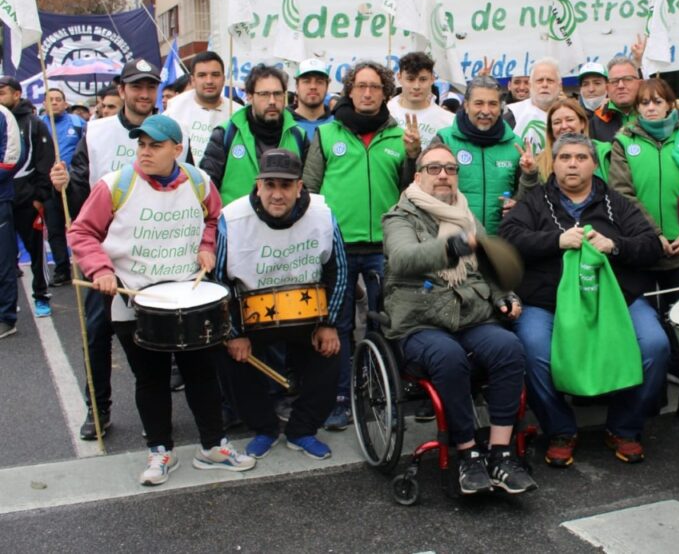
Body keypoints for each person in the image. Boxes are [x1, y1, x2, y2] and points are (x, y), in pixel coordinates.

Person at [67, 114, 254, 486]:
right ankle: (159, 451)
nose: (145, 152)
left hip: (189, 296)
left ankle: (213, 446)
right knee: (150, 380)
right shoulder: (115, 185)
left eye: (155, 145)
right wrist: (100, 269)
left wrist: (206, 247)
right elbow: (82, 231)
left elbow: (214, 220)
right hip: (134, 301)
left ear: (177, 149)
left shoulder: (199, 182)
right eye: (141, 144)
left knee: (201, 375)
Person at [500, 133, 667, 467]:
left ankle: (624, 427)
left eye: (580, 157)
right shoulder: (535, 200)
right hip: (548, 303)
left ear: (593, 163)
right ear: (554, 163)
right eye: (564, 158)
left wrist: (615, 245)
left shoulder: (616, 203)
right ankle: (561, 429)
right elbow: (509, 238)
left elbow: (651, 245)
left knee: (655, 346)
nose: (572, 164)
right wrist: (555, 240)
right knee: (532, 350)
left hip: (615, 300)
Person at [382, 143, 537, 495]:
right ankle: (467, 454)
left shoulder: (466, 214)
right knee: (448, 358)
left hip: (470, 313)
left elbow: (489, 266)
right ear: (418, 174)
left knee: (508, 347)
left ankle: (500, 453)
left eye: (450, 169)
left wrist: (504, 297)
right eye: (434, 168)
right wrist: (451, 248)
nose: (443, 175)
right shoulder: (399, 217)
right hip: (419, 318)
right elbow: (403, 259)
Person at [50, 58, 164, 440]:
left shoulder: (168, 131)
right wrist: (64, 182)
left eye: (150, 87)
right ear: (122, 90)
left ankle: (159, 415)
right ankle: (97, 410)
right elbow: (80, 192)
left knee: (156, 334)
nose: (144, 94)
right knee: (97, 334)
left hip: (155, 254)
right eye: (136, 86)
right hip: (104, 256)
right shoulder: (96, 132)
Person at [302, 59, 418, 431]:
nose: (367, 93)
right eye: (360, 86)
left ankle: (382, 391)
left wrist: (414, 157)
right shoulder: (326, 134)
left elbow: (411, 193)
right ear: (349, 91)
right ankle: (341, 398)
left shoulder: (401, 137)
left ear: (386, 92)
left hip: (386, 247)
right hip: (338, 248)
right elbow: (309, 191)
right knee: (338, 326)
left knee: (386, 323)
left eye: (375, 87)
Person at [216, 149, 346, 462]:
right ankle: (264, 427)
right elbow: (218, 281)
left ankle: (302, 430)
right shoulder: (232, 218)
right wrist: (233, 332)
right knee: (230, 359)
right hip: (252, 315)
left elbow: (338, 270)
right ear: (258, 185)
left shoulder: (323, 213)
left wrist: (329, 324)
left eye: (285, 186)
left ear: (300, 187)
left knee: (332, 354)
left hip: (308, 313)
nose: (277, 194)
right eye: (270, 185)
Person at [609, 77, 679, 427]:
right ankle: (650, 396)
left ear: (671, 105)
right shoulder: (624, 141)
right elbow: (622, 193)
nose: (652, 107)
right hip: (643, 250)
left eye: (658, 101)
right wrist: (653, 235)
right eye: (644, 103)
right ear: (637, 109)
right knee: (647, 329)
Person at [433, 76, 537, 235]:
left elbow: (529, 200)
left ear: (501, 107)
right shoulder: (444, 140)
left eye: (493, 104)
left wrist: (528, 179)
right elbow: (424, 189)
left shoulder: (515, 145)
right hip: (454, 243)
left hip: (501, 244)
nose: (486, 111)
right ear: (466, 105)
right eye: (479, 103)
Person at [200, 64, 307, 206]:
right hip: (236, 225)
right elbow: (207, 189)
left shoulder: (298, 136)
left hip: (284, 225)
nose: (272, 101)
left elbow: (306, 188)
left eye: (278, 94)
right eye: (264, 94)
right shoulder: (226, 134)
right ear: (249, 96)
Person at [0, 77, 55, 317]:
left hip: (28, 200)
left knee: (36, 252)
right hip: (4, 199)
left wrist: (40, 196)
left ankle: (41, 296)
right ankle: (8, 304)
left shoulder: (34, 123)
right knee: (4, 256)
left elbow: (45, 160)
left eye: (2, 92)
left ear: (17, 94)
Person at [164, 51, 242, 166]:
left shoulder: (238, 113)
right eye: (202, 75)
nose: (209, 81)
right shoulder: (173, 112)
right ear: (193, 80)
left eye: (215, 75)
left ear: (223, 79)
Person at [41, 88, 85, 287]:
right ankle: (62, 269)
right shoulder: (39, 125)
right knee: (55, 229)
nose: (55, 103)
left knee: (81, 226)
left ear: (66, 104)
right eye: (50, 100)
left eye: (59, 99)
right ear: (44, 104)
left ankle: (86, 266)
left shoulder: (78, 123)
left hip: (74, 186)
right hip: (50, 186)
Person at [388, 52, 455, 150]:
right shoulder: (386, 113)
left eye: (423, 79)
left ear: (432, 79)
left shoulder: (449, 121)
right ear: (399, 78)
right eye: (410, 79)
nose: (416, 86)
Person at [536, 98, 611, 183]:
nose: (564, 126)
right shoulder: (539, 162)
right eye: (557, 122)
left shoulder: (605, 153)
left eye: (570, 120)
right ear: (551, 130)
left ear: (582, 123)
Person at [0, 102, 22, 340]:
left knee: (3, 262)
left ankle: (6, 317)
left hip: (0, 200)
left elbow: (11, 158)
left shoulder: (3, 115)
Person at [505, 58, 561, 149]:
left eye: (550, 80)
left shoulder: (570, 115)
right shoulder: (513, 115)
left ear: (559, 85)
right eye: (539, 80)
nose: (545, 85)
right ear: (531, 85)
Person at [589, 55, 640, 142]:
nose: (620, 86)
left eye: (627, 79)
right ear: (607, 88)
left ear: (640, 83)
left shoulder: (652, 114)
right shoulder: (596, 122)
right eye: (614, 81)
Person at [288, 58, 333, 139]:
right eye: (306, 81)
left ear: (327, 87)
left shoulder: (338, 124)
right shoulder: (283, 122)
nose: (313, 87)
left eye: (319, 82)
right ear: (297, 86)